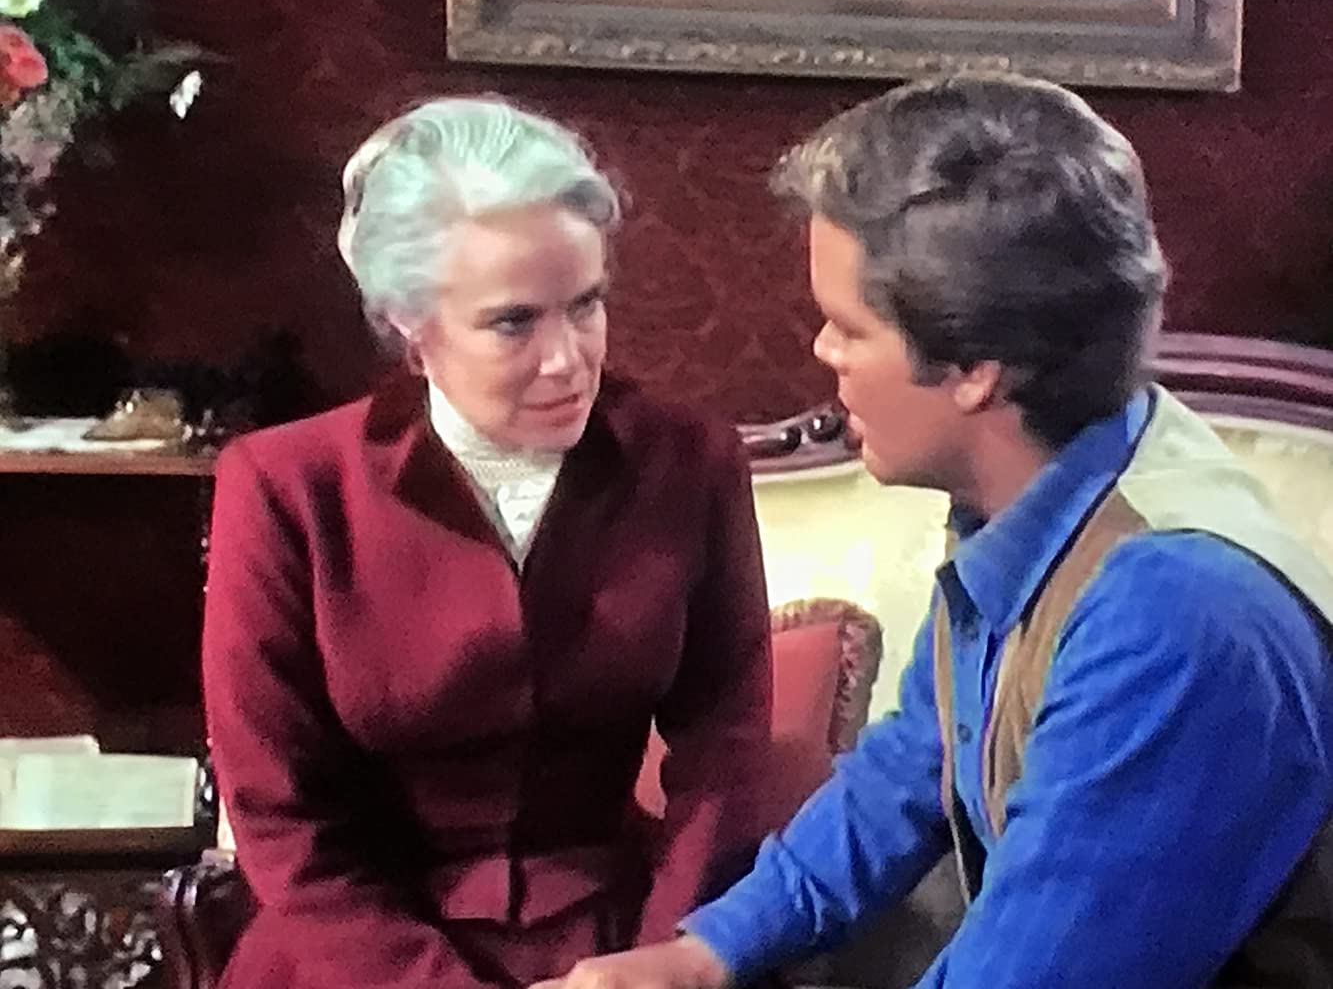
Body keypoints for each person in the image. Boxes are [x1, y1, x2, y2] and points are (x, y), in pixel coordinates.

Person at [531, 72, 1333, 989]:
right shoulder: (1039, 493)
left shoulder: (1173, 617)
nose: (822, 352)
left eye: (848, 327)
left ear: (974, 370)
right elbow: (911, 768)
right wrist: (703, 955)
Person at [200, 96, 773, 989]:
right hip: (361, 956)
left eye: (585, 306)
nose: (567, 358)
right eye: (514, 322)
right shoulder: (287, 487)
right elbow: (281, 814)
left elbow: (725, 755)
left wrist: (660, 963)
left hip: (623, 946)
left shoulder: (688, 461)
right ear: (410, 325)